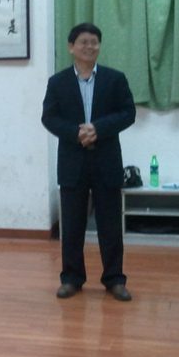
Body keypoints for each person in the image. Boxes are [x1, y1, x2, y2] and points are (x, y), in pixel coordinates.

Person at [41, 22, 136, 301]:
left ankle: (114, 279)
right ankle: (71, 278)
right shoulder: (57, 82)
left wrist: (98, 129)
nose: (89, 46)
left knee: (110, 225)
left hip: (106, 161)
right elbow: (49, 117)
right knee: (71, 225)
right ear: (71, 47)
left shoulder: (114, 79)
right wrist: (76, 133)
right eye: (83, 42)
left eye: (94, 42)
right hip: (72, 161)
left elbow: (128, 113)